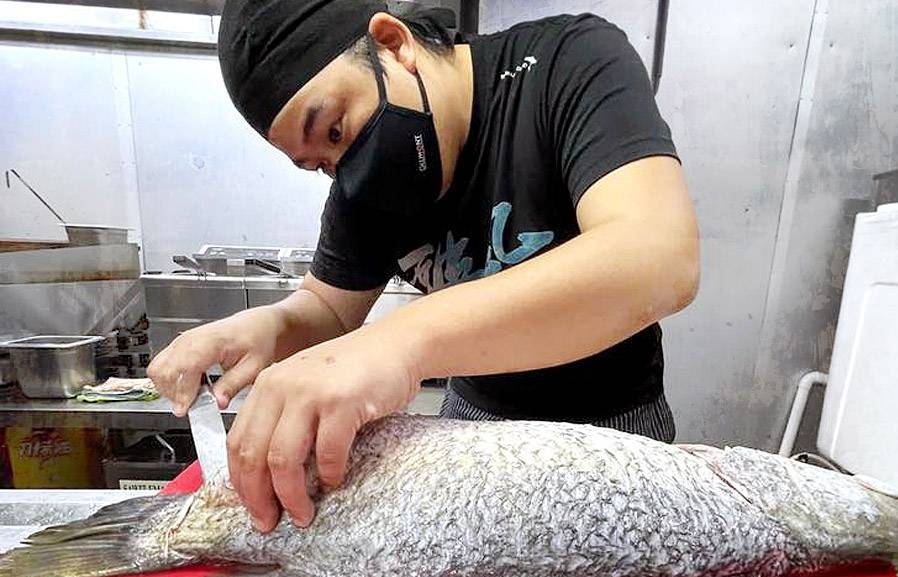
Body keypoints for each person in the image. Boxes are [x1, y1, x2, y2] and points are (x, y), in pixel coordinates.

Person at [147, 0, 700, 533]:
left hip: (612, 426)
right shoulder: (361, 190)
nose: (346, 172)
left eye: (336, 130)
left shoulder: (566, 63)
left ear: (393, 44)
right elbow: (327, 309)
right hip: (470, 430)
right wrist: (271, 327)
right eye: (320, 165)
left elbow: (656, 255)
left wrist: (399, 344)